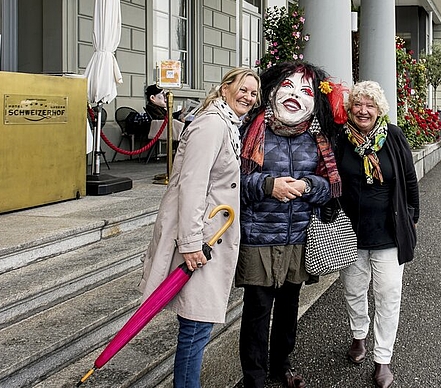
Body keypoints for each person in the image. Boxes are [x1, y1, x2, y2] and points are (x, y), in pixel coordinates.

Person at [138, 68, 261, 388]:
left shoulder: (226, 123)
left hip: (209, 237)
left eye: (253, 93)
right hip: (201, 240)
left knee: (197, 327)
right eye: (243, 89)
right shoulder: (212, 124)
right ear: (224, 89)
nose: (248, 97)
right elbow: (191, 185)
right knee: (195, 328)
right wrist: (191, 242)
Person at [236, 62, 341, 388]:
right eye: (288, 87)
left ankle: (282, 365)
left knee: (288, 309)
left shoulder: (318, 138)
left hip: (299, 236)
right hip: (258, 235)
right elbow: (232, 182)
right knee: (256, 312)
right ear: (271, 90)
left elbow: (330, 189)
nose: (296, 95)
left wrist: (309, 186)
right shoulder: (249, 131)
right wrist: (269, 186)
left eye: (305, 91)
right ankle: (253, 377)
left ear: (316, 101)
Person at [335, 81, 419, 388]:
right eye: (358, 104)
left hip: (388, 234)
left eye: (370, 105)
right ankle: (359, 337)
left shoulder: (393, 136)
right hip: (351, 233)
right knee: (354, 291)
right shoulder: (341, 138)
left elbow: (409, 179)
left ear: (379, 109)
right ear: (351, 109)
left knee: (387, 296)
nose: (363, 110)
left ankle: (382, 358)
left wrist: (412, 217)